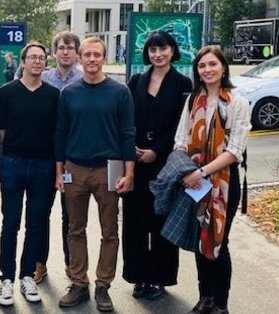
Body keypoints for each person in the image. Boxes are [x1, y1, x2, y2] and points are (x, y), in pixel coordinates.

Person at [55, 37, 135, 311]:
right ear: (79, 58)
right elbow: (61, 134)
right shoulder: (68, 93)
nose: (91, 59)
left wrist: (129, 171)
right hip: (74, 168)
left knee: (109, 231)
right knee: (74, 229)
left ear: (104, 58)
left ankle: (103, 286)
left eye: (97, 55)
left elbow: (127, 133)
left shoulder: (120, 92)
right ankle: (79, 283)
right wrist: (59, 171)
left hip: (109, 168)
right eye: (87, 54)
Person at [174, 46, 251, 314]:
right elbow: (181, 139)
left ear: (223, 68)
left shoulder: (237, 102)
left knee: (219, 241)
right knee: (200, 239)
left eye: (212, 64)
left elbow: (234, 151)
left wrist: (202, 172)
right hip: (195, 181)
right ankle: (204, 297)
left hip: (224, 183)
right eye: (202, 66)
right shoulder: (193, 101)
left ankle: (220, 303)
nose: (207, 70)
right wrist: (184, 168)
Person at [122, 30, 193, 301]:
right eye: (152, 50)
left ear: (172, 51)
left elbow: (180, 124)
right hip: (136, 163)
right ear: (147, 53)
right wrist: (134, 150)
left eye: (162, 49)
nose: (158, 54)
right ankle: (139, 277)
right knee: (135, 222)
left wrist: (156, 150)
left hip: (166, 164)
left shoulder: (183, 83)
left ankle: (159, 278)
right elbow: (126, 117)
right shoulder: (136, 81)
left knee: (162, 221)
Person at [0, 42, 59, 306]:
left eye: (41, 58)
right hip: (13, 163)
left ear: (46, 62)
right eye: (32, 57)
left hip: (43, 165)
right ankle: (6, 279)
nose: (37, 61)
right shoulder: (7, 92)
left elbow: (57, 132)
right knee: (10, 223)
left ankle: (26, 275)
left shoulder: (54, 95)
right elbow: (1, 131)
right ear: (22, 62)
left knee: (36, 223)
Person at [36, 30, 82, 284]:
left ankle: (71, 265)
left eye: (70, 47)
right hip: (44, 157)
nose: (65, 51)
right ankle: (39, 263)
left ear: (77, 52)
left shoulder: (86, 79)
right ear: (54, 52)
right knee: (40, 214)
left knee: (71, 217)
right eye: (61, 47)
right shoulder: (42, 78)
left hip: (73, 159)